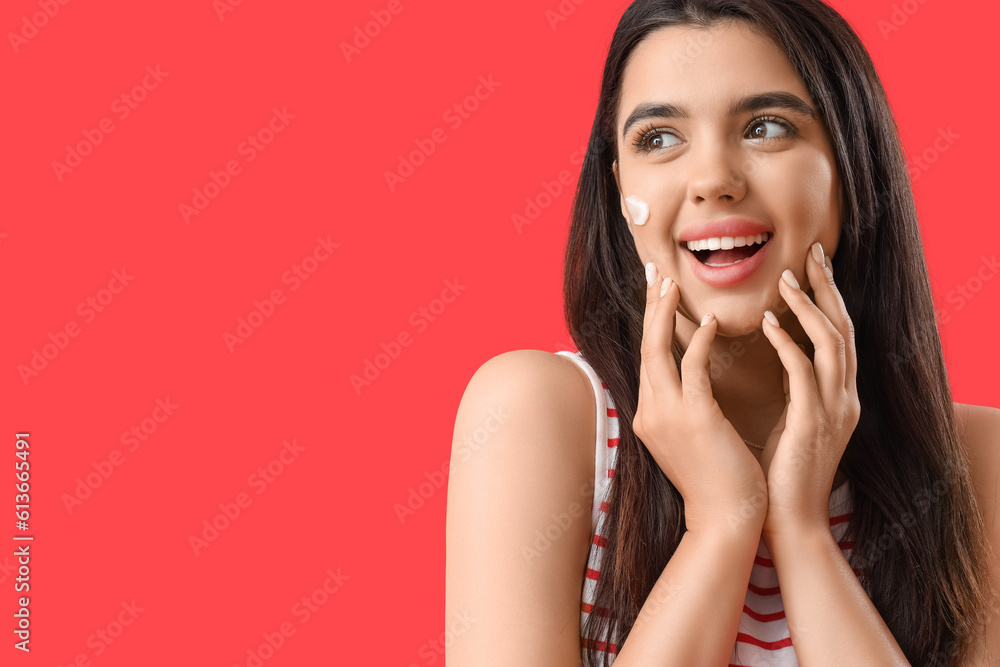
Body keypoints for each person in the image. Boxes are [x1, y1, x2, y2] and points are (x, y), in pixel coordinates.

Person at [444, 1, 1000, 665]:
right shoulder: (535, 416)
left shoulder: (979, 465)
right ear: (619, 189)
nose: (712, 181)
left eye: (766, 127)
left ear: (852, 168)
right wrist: (720, 523)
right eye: (658, 138)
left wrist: (801, 531)